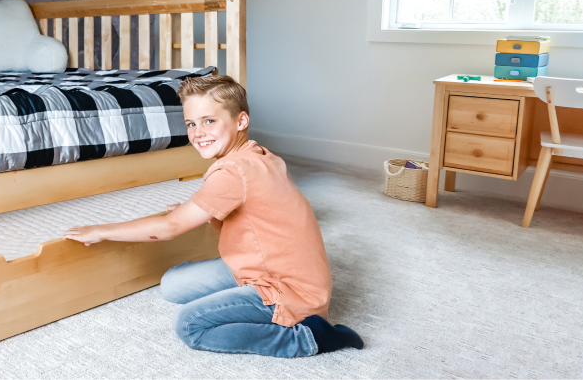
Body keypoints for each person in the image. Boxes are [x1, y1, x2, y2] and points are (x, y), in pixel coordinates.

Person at [63, 75, 363, 357]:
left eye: (209, 121)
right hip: (263, 268)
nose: (198, 133)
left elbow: (169, 228)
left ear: (241, 120)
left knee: (189, 324)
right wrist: (194, 210)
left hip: (287, 289)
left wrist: (101, 230)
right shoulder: (256, 154)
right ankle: (257, 302)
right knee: (173, 285)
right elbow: (252, 208)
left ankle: (308, 339)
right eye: (191, 123)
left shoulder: (234, 171)